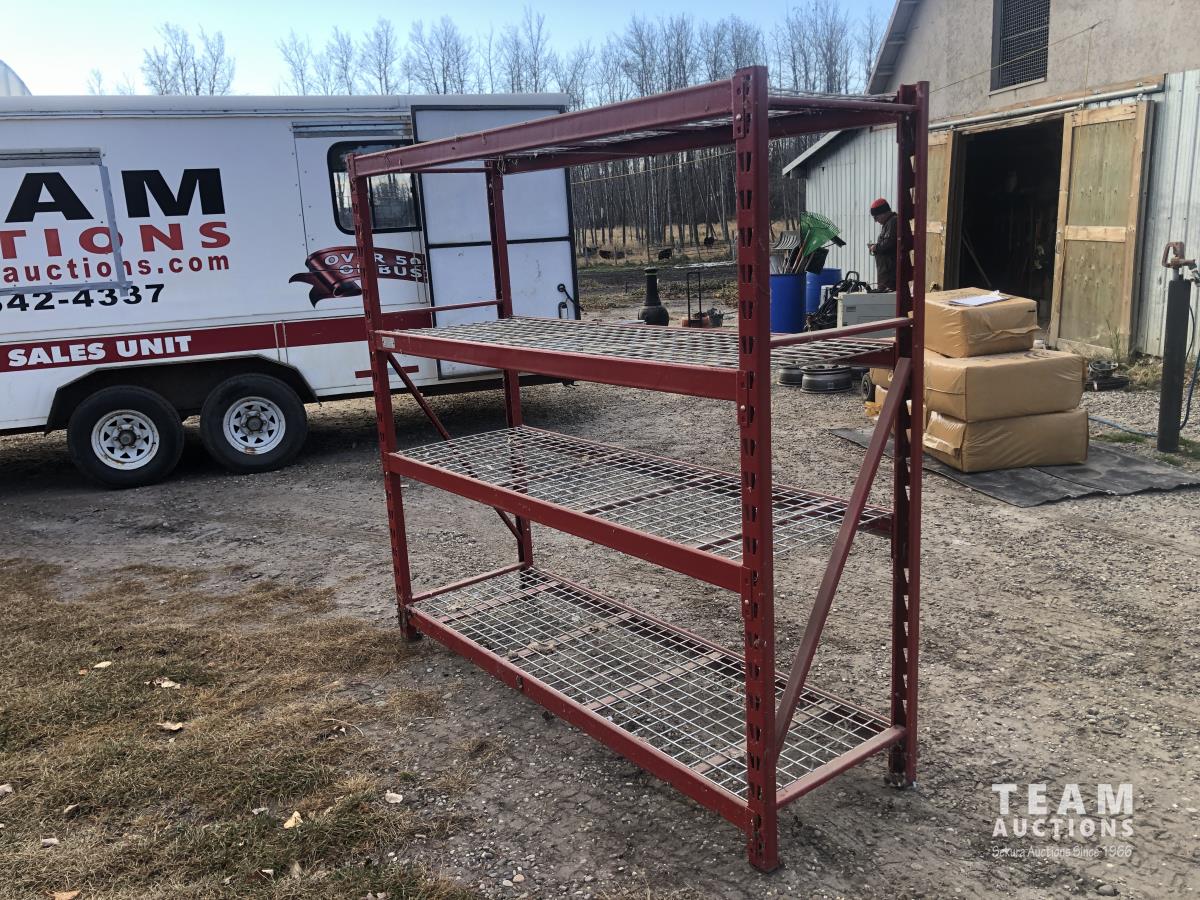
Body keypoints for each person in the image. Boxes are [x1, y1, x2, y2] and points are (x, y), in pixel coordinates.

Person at [868, 197, 898, 290]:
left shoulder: (893, 222)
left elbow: (888, 244)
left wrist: (875, 247)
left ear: (883, 213)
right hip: (886, 272)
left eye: (876, 217)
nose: (875, 221)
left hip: (890, 273)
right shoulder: (888, 223)